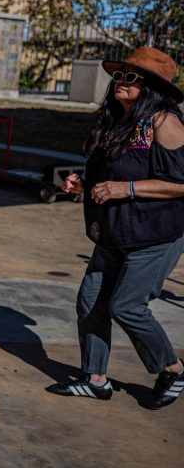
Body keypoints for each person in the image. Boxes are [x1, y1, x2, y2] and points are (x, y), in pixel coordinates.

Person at [48, 47, 184, 409]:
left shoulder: (163, 121)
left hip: (153, 236)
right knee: (90, 302)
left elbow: (181, 182)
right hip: (112, 234)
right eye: (119, 76)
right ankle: (95, 379)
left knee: (127, 306)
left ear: (152, 88)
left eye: (131, 77)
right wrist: (82, 183)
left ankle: (172, 368)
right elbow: (109, 173)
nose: (120, 83)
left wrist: (129, 189)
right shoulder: (114, 124)